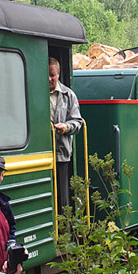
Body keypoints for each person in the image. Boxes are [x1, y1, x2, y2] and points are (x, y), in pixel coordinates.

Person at [48, 56, 83, 212]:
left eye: (52, 75)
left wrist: (67, 127)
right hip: (43, 153)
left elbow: (78, 122)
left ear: (58, 75)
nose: (49, 79)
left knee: (62, 199)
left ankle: (65, 232)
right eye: (46, 75)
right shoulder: (35, 94)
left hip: (61, 154)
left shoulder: (69, 95)